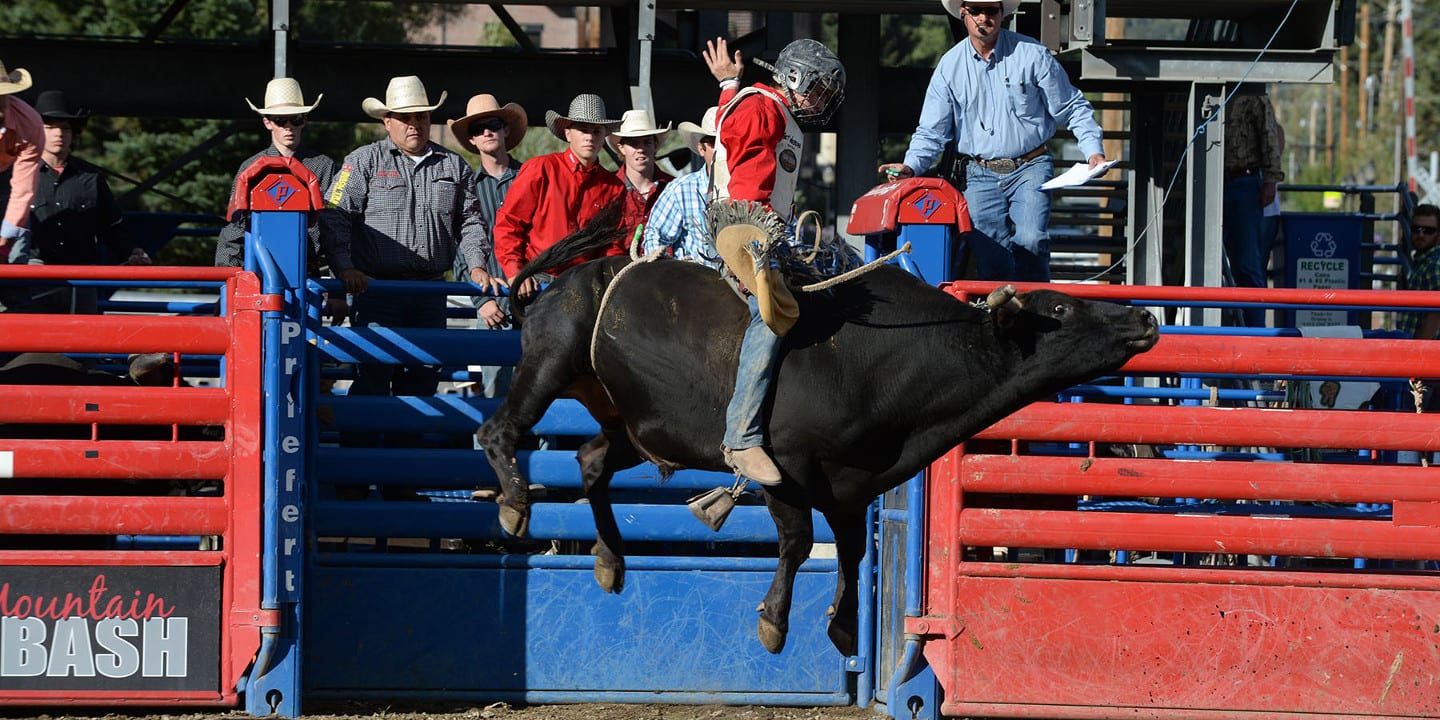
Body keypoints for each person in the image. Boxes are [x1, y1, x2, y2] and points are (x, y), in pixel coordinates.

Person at [321, 75, 502, 436]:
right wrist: (345, 268)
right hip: (376, 291)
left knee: (421, 380)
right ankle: (359, 473)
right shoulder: (361, 162)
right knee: (372, 377)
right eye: (405, 117)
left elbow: (470, 222)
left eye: (420, 116)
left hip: (429, 293)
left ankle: (399, 478)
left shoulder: (455, 166)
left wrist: (478, 265)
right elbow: (333, 214)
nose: (414, 124)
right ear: (387, 121)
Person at [701, 36, 846, 485]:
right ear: (795, 79)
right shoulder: (764, 108)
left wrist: (729, 84)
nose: (821, 100)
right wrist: (755, 255)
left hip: (759, 231)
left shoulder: (766, 107)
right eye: (817, 89)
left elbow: (728, 123)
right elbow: (746, 182)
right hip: (745, 235)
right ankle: (742, 435)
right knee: (769, 317)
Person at [879, 0, 1106, 283]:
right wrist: (910, 166)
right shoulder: (949, 67)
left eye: (992, 10)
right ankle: (1001, 319)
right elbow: (931, 131)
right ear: (963, 13)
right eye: (976, 10)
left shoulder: (1033, 55)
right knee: (989, 254)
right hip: (978, 172)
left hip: (1030, 165)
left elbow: (1072, 106)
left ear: (1002, 14)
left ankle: (1034, 315)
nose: (984, 17)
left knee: (1032, 240)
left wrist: (1093, 151)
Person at [25, 90, 151, 314]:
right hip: (33, 278)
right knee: (29, 345)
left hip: (81, 279)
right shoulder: (20, 174)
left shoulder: (90, 178)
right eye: (50, 127)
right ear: (37, 131)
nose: (59, 134)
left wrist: (132, 251)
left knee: (82, 344)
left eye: (65, 128)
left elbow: (112, 227)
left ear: (74, 133)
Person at [492, 93, 624, 301]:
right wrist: (515, 272)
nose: (590, 137)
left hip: (586, 286)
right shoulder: (541, 169)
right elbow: (509, 224)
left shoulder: (614, 187)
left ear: (604, 135)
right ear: (568, 133)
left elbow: (612, 244)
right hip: (539, 280)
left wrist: (606, 278)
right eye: (583, 130)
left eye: (596, 131)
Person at [446, 93, 528, 397]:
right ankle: (489, 448)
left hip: (532, 300)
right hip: (491, 304)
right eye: (478, 129)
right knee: (494, 391)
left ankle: (542, 447)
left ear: (506, 130)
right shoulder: (463, 186)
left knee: (541, 389)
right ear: (473, 141)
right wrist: (482, 302)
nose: (487, 132)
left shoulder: (530, 178)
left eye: (493, 124)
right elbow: (458, 252)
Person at [216, 77, 337, 274]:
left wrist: (336, 286)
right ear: (267, 122)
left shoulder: (323, 165)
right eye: (280, 120)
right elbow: (234, 227)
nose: (288, 126)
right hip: (259, 272)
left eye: (295, 119)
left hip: (310, 273)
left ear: (304, 121)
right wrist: (227, 282)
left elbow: (332, 226)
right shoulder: (250, 167)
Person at [1223, 90, 1284, 328]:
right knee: (1234, 266)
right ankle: (1239, 327)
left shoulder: (1252, 92)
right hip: (1223, 182)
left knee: (1248, 265)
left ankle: (1254, 332)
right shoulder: (1235, 92)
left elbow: (1270, 136)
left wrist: (1271, 179)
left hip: (1245, 183)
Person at [639, 106, 722, 266]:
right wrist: (662, 275)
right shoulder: (681, 190)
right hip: (694, 283)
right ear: (701, 148)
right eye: (714, 142)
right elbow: (655, 236)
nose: (721, 149)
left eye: (727, 141)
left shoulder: (752, 188)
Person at [609, 109, 674, 242]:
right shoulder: (609, 190)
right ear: (621, 148)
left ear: (655, 145)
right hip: (620, 262)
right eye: (633, 143)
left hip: (665, 262)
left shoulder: (674, 189)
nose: (640, 149)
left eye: (647, 142)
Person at [0, 60, 41, 265]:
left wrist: (8, 231)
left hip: (8, 178)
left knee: (16, 253)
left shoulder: (29, 122)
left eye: (1, 97)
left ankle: (14, 293)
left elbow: (24, 186)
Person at [1400, 204, 1440, 340]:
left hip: (1424, 352)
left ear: (1438, 234)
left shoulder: (1434, 264)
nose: (1420, 235)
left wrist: (1417, 349)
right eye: (1416, 229)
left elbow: (1437, 314)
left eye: (1428, 231)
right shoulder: (1423, 262)